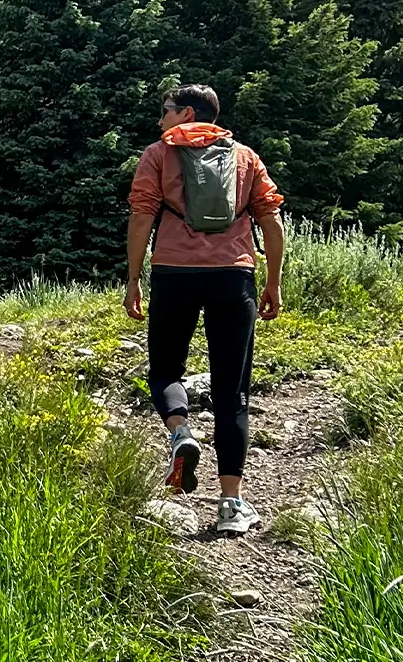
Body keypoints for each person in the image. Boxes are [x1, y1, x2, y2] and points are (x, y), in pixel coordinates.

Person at [125, 83, 285, 536]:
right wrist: (271, 280)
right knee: (232, 391)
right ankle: (231, 504)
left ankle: (180, 432)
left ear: (187, 113)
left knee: (164, 371)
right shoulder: (245, 157)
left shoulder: (158, 155)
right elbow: (271, 220)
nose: (160, 121)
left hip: (175, 273)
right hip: (234, 277)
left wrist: (134, 278)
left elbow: (141, 216)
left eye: (166, 111)